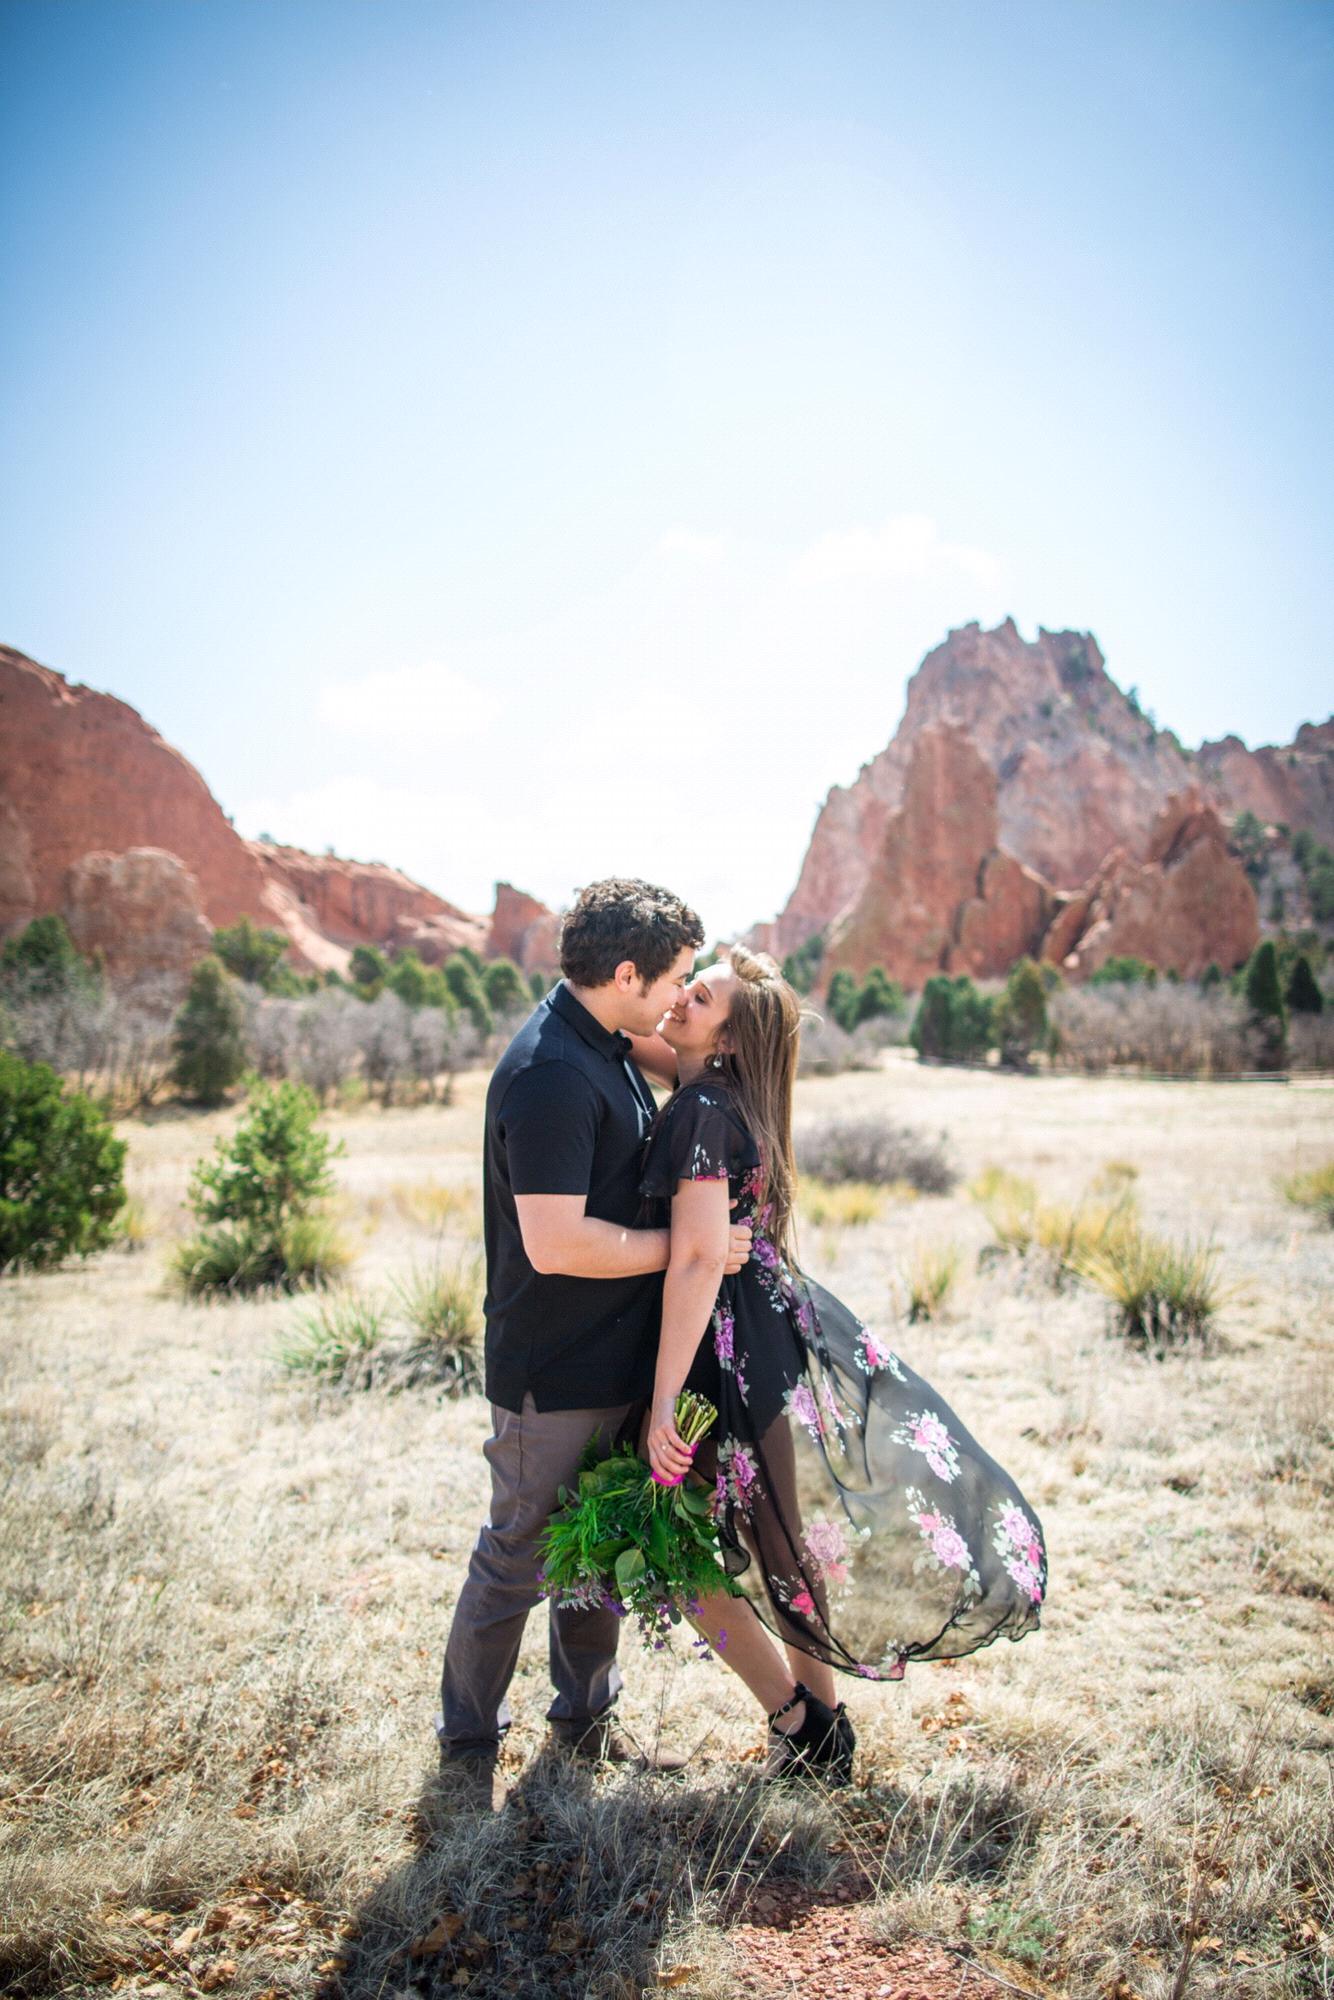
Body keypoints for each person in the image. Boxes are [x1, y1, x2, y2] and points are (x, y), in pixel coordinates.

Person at [633, 946, 1049, 1786]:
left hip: (724, 1349)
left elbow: (694, 1264)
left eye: (698, 996)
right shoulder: (730, 1097)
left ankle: (797, 1719)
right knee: (775, 1537)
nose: (678, 1000)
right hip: (768, 1338)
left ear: (730, 1040)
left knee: (667, 1541)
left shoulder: (701, 1112)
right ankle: (823, 1734)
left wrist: (664, 1399)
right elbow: (638, 1037)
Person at [436, 879, 754, 1811]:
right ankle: (465, 1743)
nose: (679, 997)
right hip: (552, 1369)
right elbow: (556, 1242)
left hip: (609, 1356)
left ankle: (583, 1720)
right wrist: (688, 1251)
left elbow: (711, 1048)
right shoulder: (549, 1076)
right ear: (625, 974)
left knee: (595, 1549)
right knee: (521, 1553)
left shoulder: (605, 1040)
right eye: (676, 979)